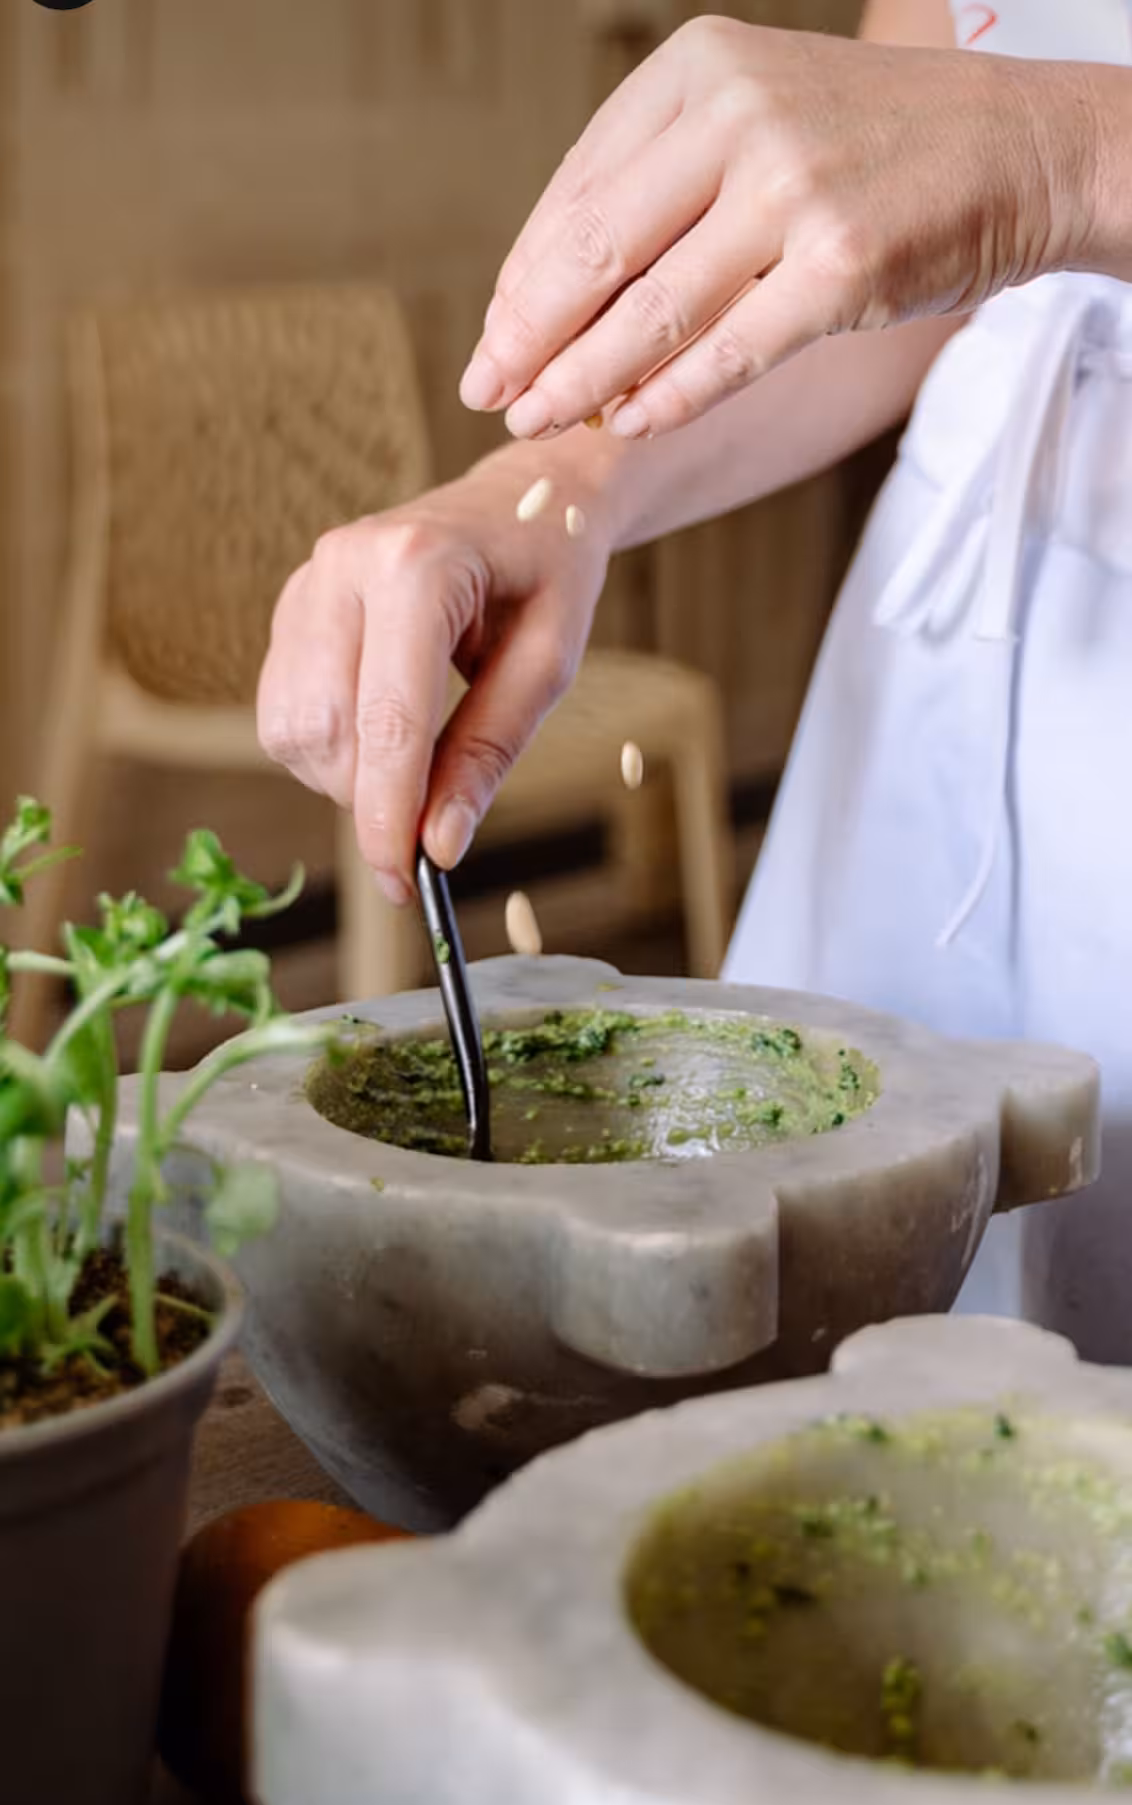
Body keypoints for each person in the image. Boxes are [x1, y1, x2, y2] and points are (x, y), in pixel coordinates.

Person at [258, 2, 1132, 1357]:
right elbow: (909, 266)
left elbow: (1002, 171)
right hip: (933, 682)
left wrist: (1065, 149)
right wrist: (559, 489)